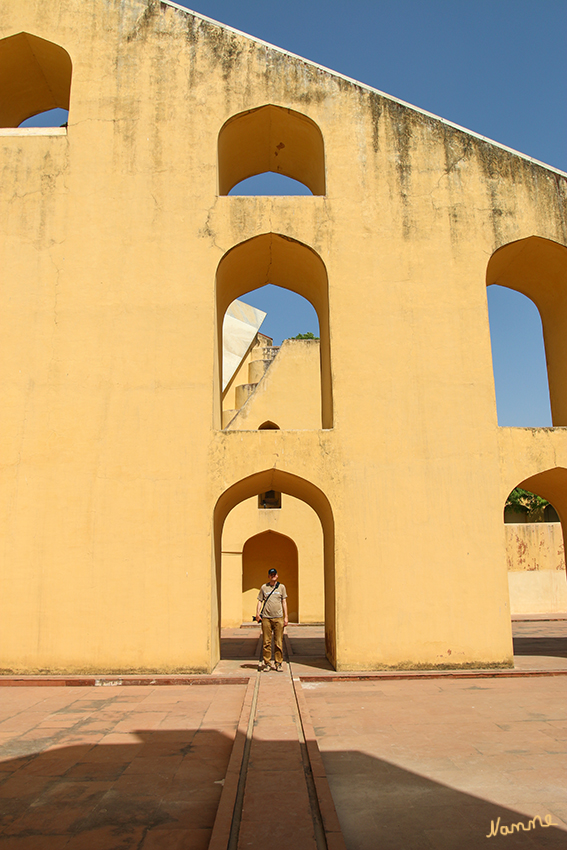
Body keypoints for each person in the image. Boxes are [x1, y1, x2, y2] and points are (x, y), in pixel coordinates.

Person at [255, 568, 288, 671]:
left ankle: (278, 663)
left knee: (278, 642)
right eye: (271, 574)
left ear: (277, 576)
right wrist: (257, 613)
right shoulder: (264, 588)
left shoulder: (281, 587)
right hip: (266, 618)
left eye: (274, 574)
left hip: (278, 618)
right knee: (266, 642)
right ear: (269, 576)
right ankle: (267, 663)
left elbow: (284, 602)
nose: (273, 576)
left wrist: (286, 617)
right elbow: (260, 601)